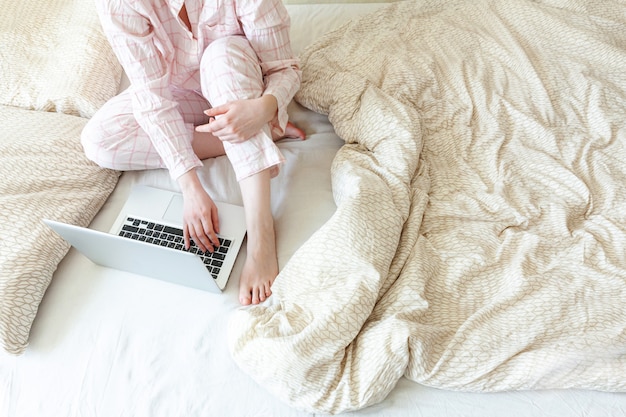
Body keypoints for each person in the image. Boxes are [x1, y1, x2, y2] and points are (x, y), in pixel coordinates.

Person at [81, 0, 305, 306]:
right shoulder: (119, 4)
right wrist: (190, 186)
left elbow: (284, 68)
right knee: (99, 140)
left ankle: (261, 233)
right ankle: (261, 134)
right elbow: (152, 99)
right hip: (181, 94)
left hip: (239, 83)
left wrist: (263, 108)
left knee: (219, 55)